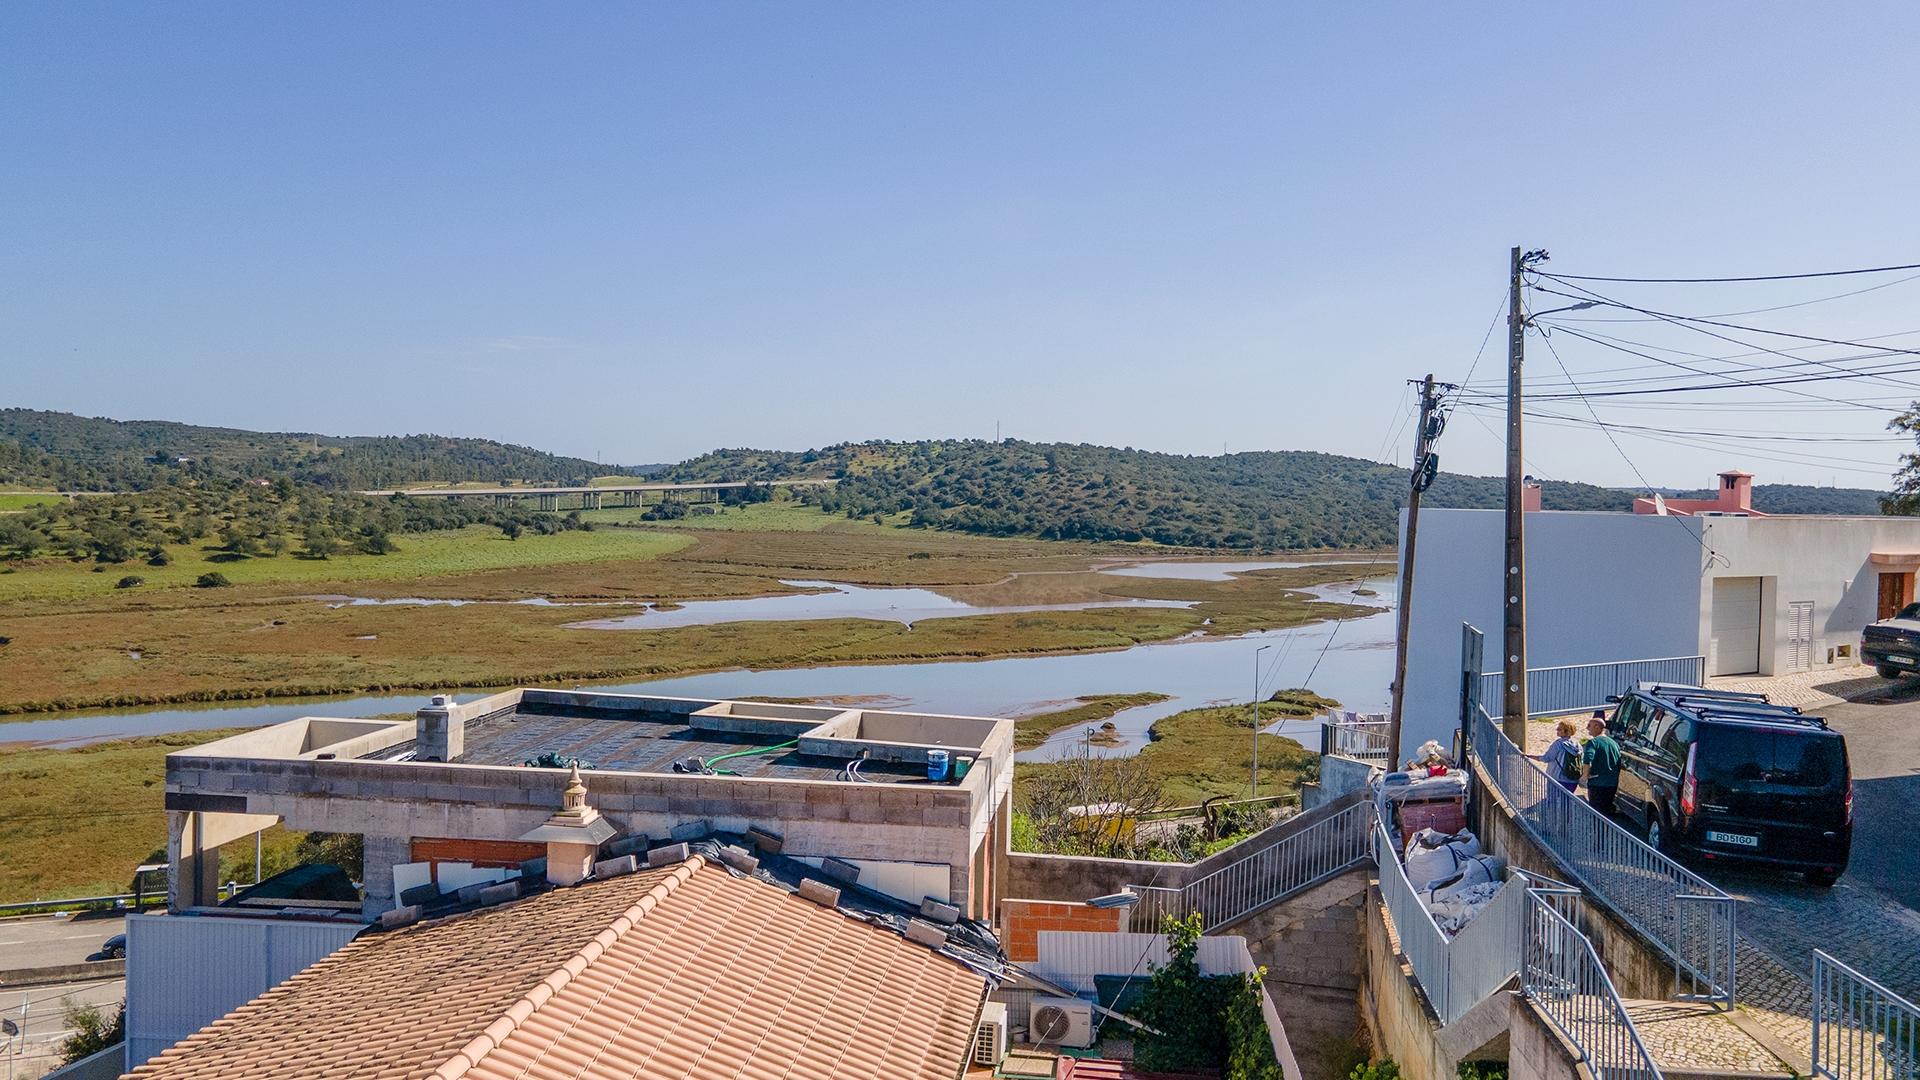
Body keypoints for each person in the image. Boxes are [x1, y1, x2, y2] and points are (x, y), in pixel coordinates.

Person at [1581, 713, 1622, 816]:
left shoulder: (1593, 742)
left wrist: (1584, 776)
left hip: (1597, 783)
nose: (1587, 728)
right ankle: (1605, 832)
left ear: (1597, 727)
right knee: (1606, 813)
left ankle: (1598, 832)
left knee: (1596, 814)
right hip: (1612, 783)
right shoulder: (1614, 743)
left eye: (1589, 726)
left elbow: (1587, 760)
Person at [1540, 719, 1583, 793]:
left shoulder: (1558, 744)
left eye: (1559, 729)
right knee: (1567, 802)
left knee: (1552, 800)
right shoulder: (1578, 745)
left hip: (1557, 778)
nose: (1556, 730)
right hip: (1573, 779)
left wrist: (1530, 756)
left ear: (1566, 731)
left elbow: (1546, 758)